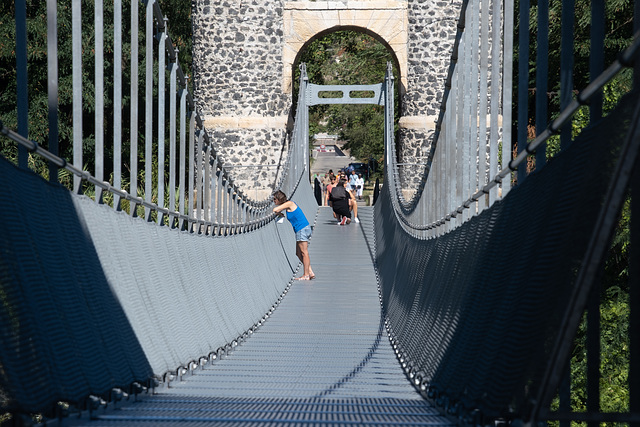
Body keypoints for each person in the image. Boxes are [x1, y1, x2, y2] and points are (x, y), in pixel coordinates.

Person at [273, 190, 315, 281]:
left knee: (304, 252)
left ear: (279, 199)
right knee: (298, 253)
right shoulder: (288, 205)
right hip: (301, 229)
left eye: (274, 199)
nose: (274, 201)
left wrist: (278, 211)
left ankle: (306, 275)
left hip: (302, 229)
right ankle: (310, 271)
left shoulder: (289, 203)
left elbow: (275, 209)